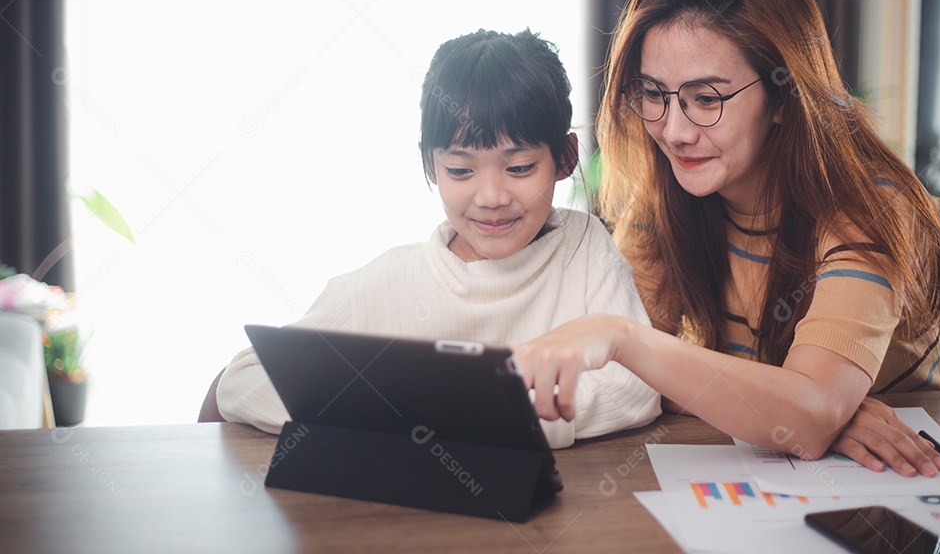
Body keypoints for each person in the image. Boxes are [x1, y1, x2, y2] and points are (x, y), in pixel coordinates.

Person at [513, 0, 940, 475]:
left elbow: (801, 414)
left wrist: (808, 409)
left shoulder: (867, 206)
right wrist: (797, 407)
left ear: (783, 96)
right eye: (654, 93)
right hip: (777, 476)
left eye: (707, 99)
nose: (674, 131)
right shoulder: (664, 196)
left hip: (912, 474)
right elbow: (639, 385)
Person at [216, 29, 660, 448]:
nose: (491, 197)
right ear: (430, 167)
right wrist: (409, 416)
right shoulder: (385, 284)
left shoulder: (584, 248)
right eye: (460, 171)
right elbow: (243, 378)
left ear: (564, 158)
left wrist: (466, 417)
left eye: (520, 167)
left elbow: (637, 388)